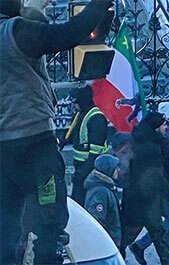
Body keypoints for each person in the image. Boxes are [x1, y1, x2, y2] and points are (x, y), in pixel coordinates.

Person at [0, 0, 112, 263]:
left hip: (4, 152)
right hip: (34, 144)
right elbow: (69, 33)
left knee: (7, 232)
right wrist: (99, 5)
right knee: (48, 229)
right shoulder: (15, 32)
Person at [129, 103, 169, 265]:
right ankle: (141, 246)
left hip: (162, 185)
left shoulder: (166, 134)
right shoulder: (168, 137)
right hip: (165, 186)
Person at [120, 112, 169, 265]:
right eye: (164, 125)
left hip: (142, 198)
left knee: (156, 233)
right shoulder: (151, 148)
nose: (166, 127)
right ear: (156, 128)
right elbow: (155, 176)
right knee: (128, 235)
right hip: (142, 201)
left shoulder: (144, 142)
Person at [69, 85, 109, 206]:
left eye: (76, 102)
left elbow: (95, 152)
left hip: (92, 169)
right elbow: (78, 137)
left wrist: (83, 173)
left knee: (87, 203)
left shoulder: (96, 118)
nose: (74, 106)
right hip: (81, 167)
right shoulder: (81, 114)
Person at [84, 154, 121, 248]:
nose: (119, 170)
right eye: (116, 168)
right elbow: (96, 221)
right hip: (107, 244)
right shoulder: (100, 192)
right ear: (108, 169)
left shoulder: (106, 188)